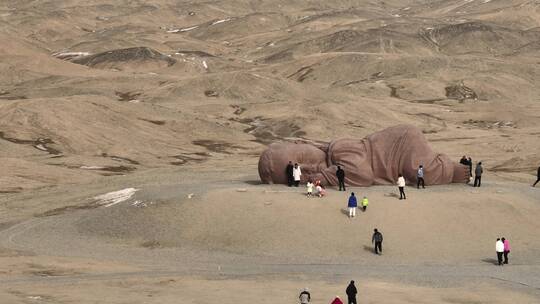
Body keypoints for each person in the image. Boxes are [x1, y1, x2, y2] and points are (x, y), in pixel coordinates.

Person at [258, 125, 470, 186]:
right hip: (388, 150)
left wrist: (320, 174)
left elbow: (363, 174)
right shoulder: (332, 159)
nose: (306, 165)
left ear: (302, 143)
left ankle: (459, 170)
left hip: (399, 147)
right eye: (296, 170)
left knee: (425, 171)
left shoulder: (338, 150)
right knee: (423, 172)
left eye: (303, 156)